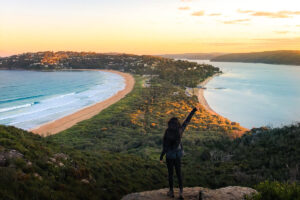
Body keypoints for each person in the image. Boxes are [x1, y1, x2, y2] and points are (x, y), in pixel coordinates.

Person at [160, 107, 197, 199]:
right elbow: (187, 120)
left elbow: (165, 146)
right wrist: (193, 111)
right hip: (177, 155)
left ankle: (171, 191)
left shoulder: (167, 131)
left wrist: (161, 156)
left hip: (169, 156)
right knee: (179, 173)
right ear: (177, 124)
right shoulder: (180, 130)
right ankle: (181, 192)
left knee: (170, 174)